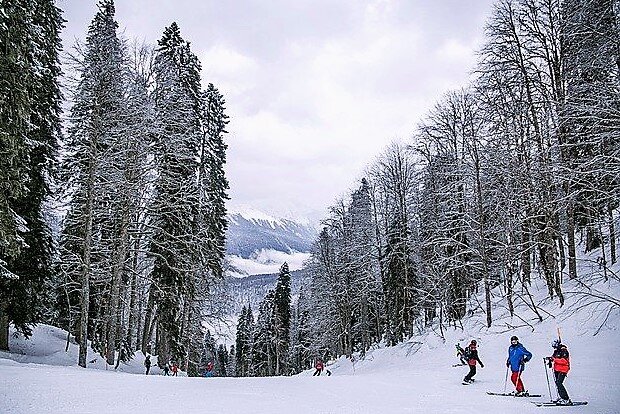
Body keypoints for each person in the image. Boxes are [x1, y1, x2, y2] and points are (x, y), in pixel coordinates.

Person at [546, 340, 572, 405]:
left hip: (563, 369)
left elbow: (564, 361)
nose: (554, 347)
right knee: (557, 383)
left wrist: (554, 360)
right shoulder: (556, 351)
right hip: (557, 369)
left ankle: (566, 399)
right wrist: (550, 359)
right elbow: (553, 357)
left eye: (554, 346)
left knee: (559, 383)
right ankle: (561, 397)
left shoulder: (564, 351)